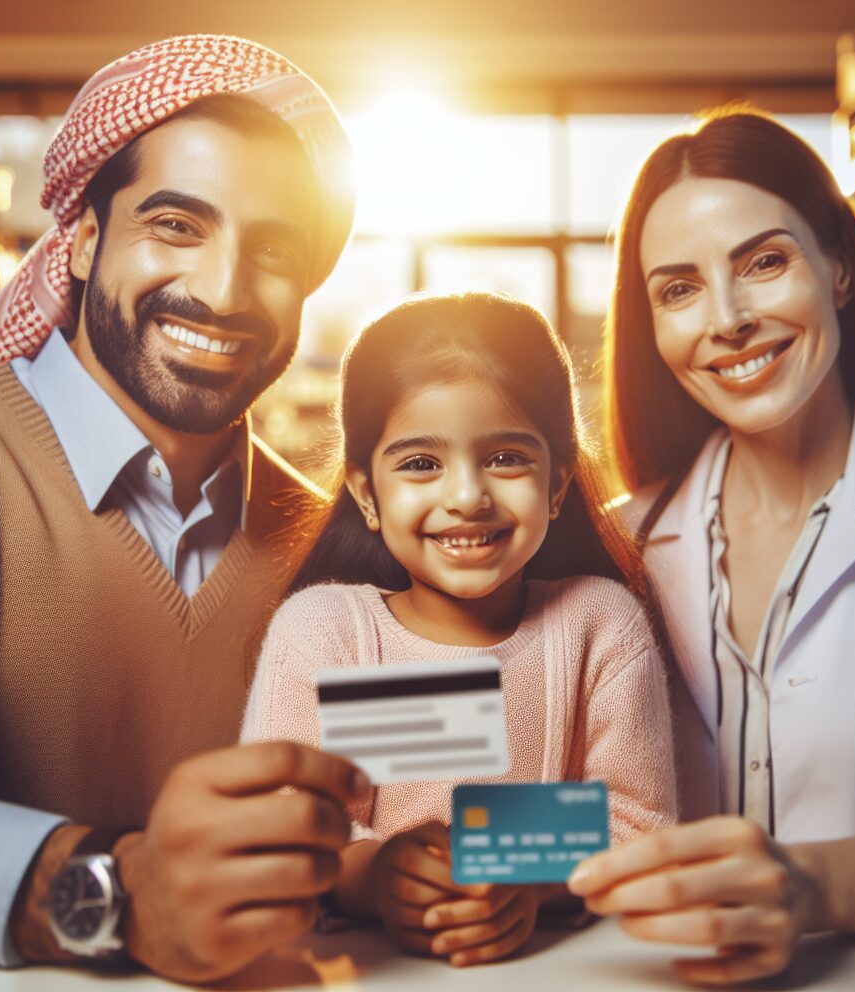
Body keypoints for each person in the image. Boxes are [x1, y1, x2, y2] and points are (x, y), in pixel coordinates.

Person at [567, 108, 855, 985]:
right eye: (678, 289)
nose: (726, 320)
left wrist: (810, 887)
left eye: (764, 262)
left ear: (839, 267)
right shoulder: (623, 547)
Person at [0, 35, 369, 983]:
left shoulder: (330, 539)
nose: (224, 290)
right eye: (178, 225)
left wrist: (456, 868)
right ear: (80, 239)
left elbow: (455, 770)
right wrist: (114, 893)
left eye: (274, 249)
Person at [240, 292, 677, 966]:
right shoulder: (320, 634)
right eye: (421, 463)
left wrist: (527, 881)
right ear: (366, 494)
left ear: (557, 486)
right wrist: (377, 875)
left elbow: (639, 825)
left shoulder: (602, 623)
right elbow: (282, 834)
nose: (467, 495)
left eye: (506, 458)